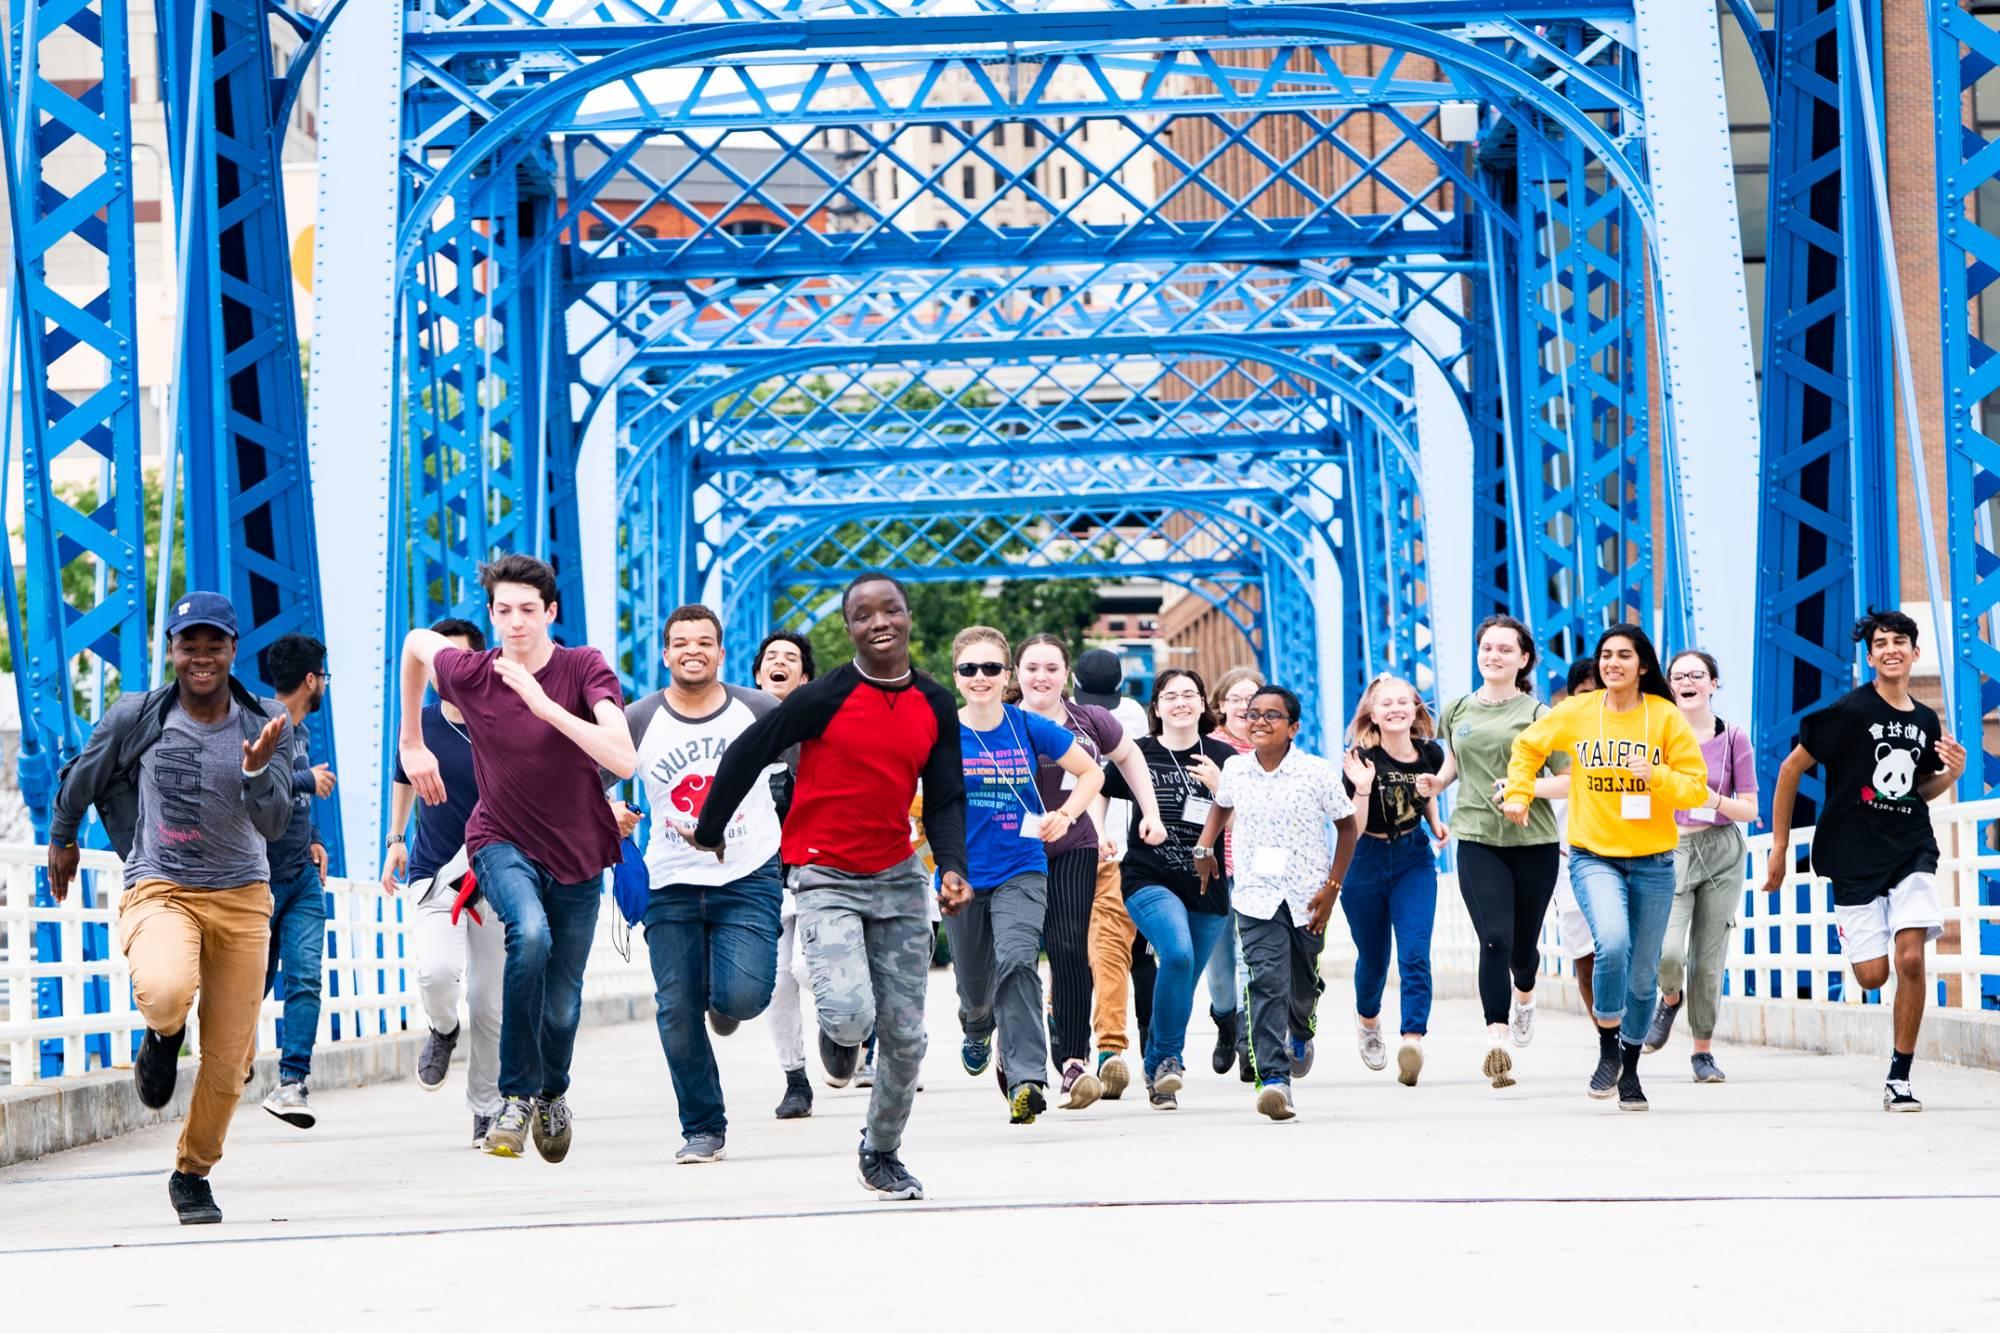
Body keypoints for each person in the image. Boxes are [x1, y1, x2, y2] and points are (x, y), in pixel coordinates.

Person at [690, 573, 969, 1201]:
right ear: (849, 629)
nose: (879, 623)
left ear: (907, 616)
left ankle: (883, 1151)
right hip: (825, 874)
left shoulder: (934, 702)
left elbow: (948, 795)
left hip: (898, 876)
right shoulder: (823, 697)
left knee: (906, 1036)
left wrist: (951, 867)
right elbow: (746, 751)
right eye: (864, 615)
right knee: (848, 1015)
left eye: (890, 611)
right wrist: (711, 829)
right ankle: (839, 1039)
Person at [46, 591, 292, 1225]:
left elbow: (274, 822)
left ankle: (192, 1172)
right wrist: (62, 839)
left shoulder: (265, 721)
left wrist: (260, 769)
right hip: (162, 886)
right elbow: (83, 776)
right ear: (172, 651)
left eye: (215, 645)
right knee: (163, 989)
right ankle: (163, 1034)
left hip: (241, 899)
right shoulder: (139, 715)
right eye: (190, 645)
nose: (202, 657)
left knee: (231, 1061)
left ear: (235, 650)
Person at [397, 554, 636, 1160]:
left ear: (551, 612)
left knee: (562, 1004)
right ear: (493, 614)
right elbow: (415, 644)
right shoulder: (473, 673)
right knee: (527, 934)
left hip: (578, 850)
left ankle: (553, 1093)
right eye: (504, 611)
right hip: (500, 839)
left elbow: (624, 757)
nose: (516, 623)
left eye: (529, 610)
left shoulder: (584, 668)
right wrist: (411, 739)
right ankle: (514, 1097)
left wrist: (544, 704)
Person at [1762, 609, 1966, 1111]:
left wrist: (1952, 776)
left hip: (1911, 848)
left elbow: (1918, 790)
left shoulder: (1924, 719)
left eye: (1901, 641)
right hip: (1853, 855)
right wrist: (1781, 846)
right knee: (1873, 976)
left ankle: (1900, 1076)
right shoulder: (1850, 712)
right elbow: (1790, 770)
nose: (1891, 649)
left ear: (1915, 653)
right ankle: (1859, 944)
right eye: (1881, 643)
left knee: (1912, 959)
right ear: (1870, 655)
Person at [1504, 624, 1712, 1111]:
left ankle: (1631, 1068)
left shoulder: (1663, 717)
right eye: (1605, 655)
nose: (1612, 663)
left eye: (1623, 655)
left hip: (1655, 861)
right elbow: (1527, 748)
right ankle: (1605, 1049)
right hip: (1593, 855)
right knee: (1612, 943)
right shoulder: (1577, 712)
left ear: (1643, 665)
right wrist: (1518, 790)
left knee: (1643, 977)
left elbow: (1695, 789)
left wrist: (1656, 775)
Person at [613, 605, 786, 1165]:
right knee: (675, 1007)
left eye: (704, 642)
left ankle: (725, 998)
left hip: (748, 871)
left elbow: (810, 773)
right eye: (681, 642)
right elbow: (587, 784)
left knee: (742, 996)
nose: (693, 650)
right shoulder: (637, 719)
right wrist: (608, 813)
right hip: (670, 881)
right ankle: (703, 1127)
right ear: (665, 654)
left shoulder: (758, 710)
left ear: (720, 652)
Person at [946, 627, 1105, 1124]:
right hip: (963, 877)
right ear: (956, 676)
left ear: (1006, 675)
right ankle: (976, 1028)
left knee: (1018, 962)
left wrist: (1068, 815)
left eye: (991, 668)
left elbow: (1093, 772)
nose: (980, 677)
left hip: (1023, 867)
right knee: (975, 986)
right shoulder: (941, 732)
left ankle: (1027, 1079)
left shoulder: (1026, 726)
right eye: (969, 669)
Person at [1012, 635, 1164, 1109]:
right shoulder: (998, 720)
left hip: (1075, 844)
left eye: (1051, 668)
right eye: (1032, 667)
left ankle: (1073, 1061)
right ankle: (1004, 1043)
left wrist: (1150, 813)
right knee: (1013, 958)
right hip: (1011, 851)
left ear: (1067, 676)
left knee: (1068, 946)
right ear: (1017, 672)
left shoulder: (1090, 720)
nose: (1042, 677)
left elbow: (1130, 759)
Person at [1194, 686, 1359, 1122]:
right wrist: (1204, 847)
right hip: (1254, 894)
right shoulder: (1235, 769)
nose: (1260, 722)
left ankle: (1302, 1028)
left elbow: (1346, 828)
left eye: (1271, 715)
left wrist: (1333, 887)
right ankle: (1274, 1081)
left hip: (1308, 896)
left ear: (1294, 727)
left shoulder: (1316, 772)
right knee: (1266, 982)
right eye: (1252, 714)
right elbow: (1220, 807)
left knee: (1300, 988)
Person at [1427, 616, 1567, 1090]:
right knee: (1494, 939)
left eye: (1506, 649)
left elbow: (1568, 781)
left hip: (1535, 842)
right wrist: (1436, 783)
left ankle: (1525, 995)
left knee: (1523, 947)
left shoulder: (1542, 716)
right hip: (1477, 836)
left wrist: (1524, 787)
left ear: (1523, 659)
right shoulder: (1457, 709)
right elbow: (1454, 764)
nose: (1494, 656)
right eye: (1487, 647)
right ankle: (1497, 1039)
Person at [382, 617, 504, 1148]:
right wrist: (394, 838)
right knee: (436, 973)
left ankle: (486, 1107)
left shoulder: (505, 721)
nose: (444, 671)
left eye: (455, 660)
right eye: (435, 663)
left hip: (498, 872)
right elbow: (403, 776)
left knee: (490, 1002)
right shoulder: (422, 722)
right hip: (436, 873)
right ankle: (442, 1030)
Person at [1098, 669, 1236, 1109]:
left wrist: (1222, 789)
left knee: (1182, 979)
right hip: (1148, 875)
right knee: (1176, 954)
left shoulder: (1224, 757)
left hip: (1207, 883)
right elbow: (1101, 786)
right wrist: (1100, 831)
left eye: (1189, 695)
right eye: (1170, 696)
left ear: (1202, 704)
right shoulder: (1137, 753)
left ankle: (1155, 1065)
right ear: (1156, 707)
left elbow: (1245, 821)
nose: (1181, 702)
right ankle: (1170, 1061)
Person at [1643, 650, 1759, 1083]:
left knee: (1709, 960)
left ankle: (1702, 1052)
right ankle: (1670, 998)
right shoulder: (1656, 738)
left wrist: (1710, 799)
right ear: (1669, 685)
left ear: (1714, 683)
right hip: (1669, 849)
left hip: (1721, 851)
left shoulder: (1734, 738)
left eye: (1697, 675)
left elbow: (1749, 809)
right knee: (1668, 952)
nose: (1688, 682)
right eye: (1678, 676)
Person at [1339, 675, 1445, 1087]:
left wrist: (1436, 821)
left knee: (1415, 952)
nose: (1396, 709)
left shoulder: (1430, 752)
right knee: (1375, 958)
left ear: (1417, 708)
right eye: (1387, 704)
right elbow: (1355, 827)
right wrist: (1362, 790)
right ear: (1373, 713)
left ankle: (1412, 1039)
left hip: (1412, 859)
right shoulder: (1360, 760)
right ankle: (1368, 1021)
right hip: (1364, 859)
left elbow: (1427, 788)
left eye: (1404, 702)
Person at [255, 634, 334, 1130]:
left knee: (305, 976)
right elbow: (253, 778)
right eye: (323, 675)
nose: (324, 683)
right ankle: (229, 1058)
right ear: (311, 680)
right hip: (260, 879)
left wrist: (316, 836)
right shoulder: (263, 722)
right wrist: (309, 781)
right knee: (252, 985)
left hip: (302, 875)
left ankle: (291, 1083)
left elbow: (295, 792)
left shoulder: (301, 732)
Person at [1072, 648, 1152, 1098]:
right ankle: (1068, 1040)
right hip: (1063, 850)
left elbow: (1117, 777)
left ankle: (1109, 1050)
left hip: (1114, 853)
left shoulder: (1131, 718)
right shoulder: (1056, 717)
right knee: (1069, 955)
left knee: (1108, 954)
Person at [752, 630, 820, 1120]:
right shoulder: (734, 731)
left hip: (817, 868)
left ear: (805, 677)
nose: (779, 664)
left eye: (790, 658)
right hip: (760, 876)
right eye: (770, 658)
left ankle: (850, 1038)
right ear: (757, 674)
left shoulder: (821, 732)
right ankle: (795, 1078)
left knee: (807, 969)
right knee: (776, 980)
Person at [1204, 666, 1264, 1079]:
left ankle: (1249, 1041)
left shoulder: (1274, 750)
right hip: (1214, 867)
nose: (1245, 707)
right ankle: (1226, 1023)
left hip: (1257, 869)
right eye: (1236, 699)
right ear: (1221, 706)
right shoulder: (1204, 750)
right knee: (1220, 966)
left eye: (1253, 699)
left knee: (1250, 958)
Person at [1549, 659, 1601, 1017]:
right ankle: (1606, 1039)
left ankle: (1624, 1029)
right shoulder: (1553, 740)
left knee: (1620, 949)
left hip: (1627, 855)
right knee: (1585, 960)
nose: (1595, 700)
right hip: (1570, 860)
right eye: (1584, 693)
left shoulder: (1640, 732)